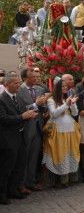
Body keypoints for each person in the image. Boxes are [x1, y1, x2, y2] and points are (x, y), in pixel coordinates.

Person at [0, 74, 38, 204]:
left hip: (21, 136)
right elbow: (3, 119)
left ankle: (13, 190)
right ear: (7, 85)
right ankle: (2, 194)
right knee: (6, 168)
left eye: (18, 82)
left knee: (19, 165)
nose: (18, 85)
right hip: (8, 139)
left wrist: (33, 109)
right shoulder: (1, 99)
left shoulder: (18, 97)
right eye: (15, 83)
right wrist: (22, 117)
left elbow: (23, 110)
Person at [42, 78, 80, 188]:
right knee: (58, 154)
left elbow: (75, 113)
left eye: (65, 86)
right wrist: (66, 105)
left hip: (70, 130)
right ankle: (58, 179)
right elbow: (54, 114)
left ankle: (67, 178)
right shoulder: (51, 100)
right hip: (58, 131)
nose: (64, 88)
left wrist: (72, 105)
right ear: (57, 88)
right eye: (62, 86)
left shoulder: (67, 98)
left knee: (69, 153)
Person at [17, 69, 48, 193]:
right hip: (26, 128)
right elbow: (21, 109)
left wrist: (44, 106)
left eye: (36, 76)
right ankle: (21, 183)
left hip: (38, 127)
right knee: (24, 157)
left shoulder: (40, 89)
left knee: (34, 156)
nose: (36, 78)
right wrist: (36, 104)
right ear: (25, 78)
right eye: (33, 76)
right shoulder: (19, 90)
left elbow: (42, 107)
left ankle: (31, 181)